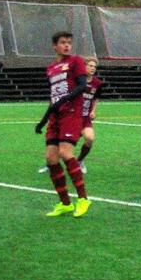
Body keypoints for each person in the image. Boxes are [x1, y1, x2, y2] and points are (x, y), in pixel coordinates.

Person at [35, 31, 91, 218]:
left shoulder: (76, 62)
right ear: (55, 46)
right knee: (51, 159)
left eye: (69, 42)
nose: (67, 45)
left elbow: (82, 86)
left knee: (66, 153)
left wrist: (64, 100)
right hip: (56, 117)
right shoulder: (51, 68)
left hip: (71, 114)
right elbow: (53, 98)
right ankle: (65, 203)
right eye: (62, 42)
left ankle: (83, 199)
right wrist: (43, 121)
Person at [76, 57, 103, 172]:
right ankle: (51, 163)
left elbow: (96, 98)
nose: (93, 68)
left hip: (85, 118)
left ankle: (80, 161)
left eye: (94, 66)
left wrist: (93, 111)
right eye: (90, 66)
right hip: (73, 117)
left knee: (90, 138)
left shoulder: (97, 83)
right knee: (63, 143)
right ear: (84, 66)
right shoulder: (76, 80)